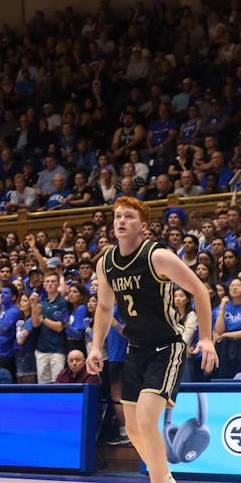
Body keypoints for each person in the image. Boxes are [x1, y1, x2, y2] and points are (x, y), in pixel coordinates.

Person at [87, 197, 218, 483]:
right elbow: (106, 308)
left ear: (143, 226)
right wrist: (96, 345)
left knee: (147, 419)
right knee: (133, 428)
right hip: (136, 348)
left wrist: (206, 339)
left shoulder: (157, 256)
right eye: (118, 216)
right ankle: (165, 478)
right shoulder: (105, 263)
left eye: (129, 217)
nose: (121, 221)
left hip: (167, 346)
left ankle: (159, 481)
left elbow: (199, 290)